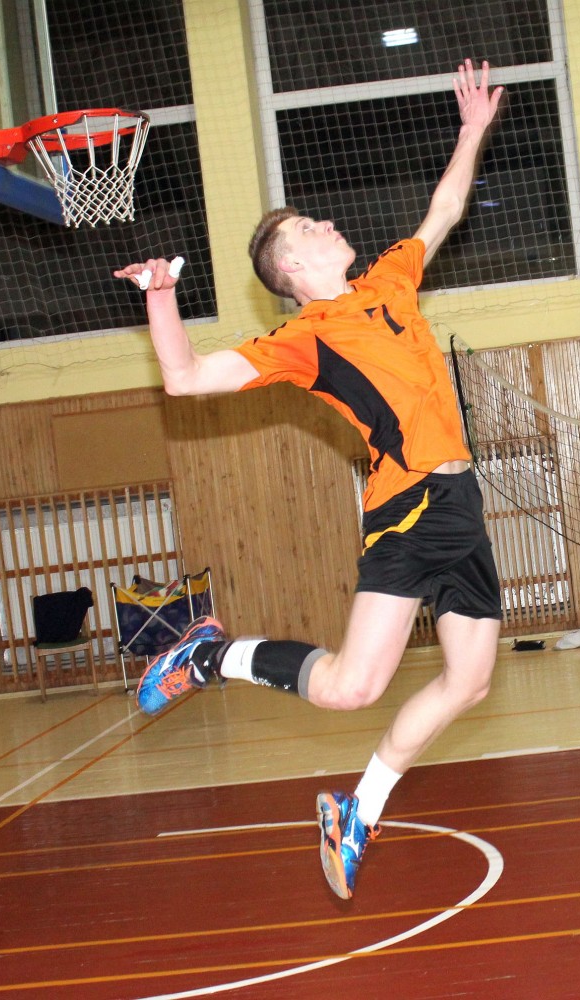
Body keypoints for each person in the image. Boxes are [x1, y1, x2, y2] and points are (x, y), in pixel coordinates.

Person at [114, 59, 506, 900]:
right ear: (289, 266)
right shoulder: (305, 337)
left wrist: (472, 130)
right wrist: (160, 298)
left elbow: (444, 210)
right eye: (308, 225)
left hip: (460, 504)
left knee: (470, 681)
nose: (328, 222)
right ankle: (211, 655)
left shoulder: (389, 278)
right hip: (407, 508)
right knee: (352, 688)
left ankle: (358, 811)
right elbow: (185, 379)